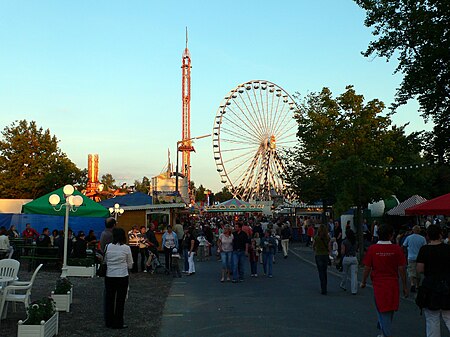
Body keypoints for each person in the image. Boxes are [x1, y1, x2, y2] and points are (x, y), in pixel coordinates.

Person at [361, 224, 408, 337]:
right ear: (391, 236)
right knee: (389, 308)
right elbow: (401, 268)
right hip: (393, 282)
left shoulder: (372, 249)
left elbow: (367, 267)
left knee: (381, 308)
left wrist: (363, 281)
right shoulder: (396, 249)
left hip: (378, 283)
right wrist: (405, 286)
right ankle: (383, 328)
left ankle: (384, 330)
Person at [416, 224, 450, 337]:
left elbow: (420, 269)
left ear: (428, 236)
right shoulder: (448, 248)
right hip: (447, 284)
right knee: (448, 316)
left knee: (432, 319)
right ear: (440, 234)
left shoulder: (424, 249)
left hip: (430, 285)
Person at [104, 227, 133, 329]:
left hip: (110, 275)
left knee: (109, 299)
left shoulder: (108, 247)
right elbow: (130, 264)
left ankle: (109, 321)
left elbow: (106, 261)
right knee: (120, 301)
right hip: (122, 275)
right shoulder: (126, 248)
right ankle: (118, 322)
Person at [402, 225, 427, 293]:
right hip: (420, 257)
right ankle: (417, 285)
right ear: (419, 231)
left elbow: (404, 245)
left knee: (411, 270)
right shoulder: (422, 238)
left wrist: (406, 252)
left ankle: (412, 283)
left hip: (410, 257)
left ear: (413, 230)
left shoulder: (409, 237)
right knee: (418, 272)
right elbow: (425, 248)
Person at [313, 224, 331, 295]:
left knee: (320, 272)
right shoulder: (327, 237)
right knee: (325, 271)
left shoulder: (316, 237)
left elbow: (313, 246)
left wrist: (315, 249)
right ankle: (325, 286)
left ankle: (323, 288)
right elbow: (329, 247)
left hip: (318, 255)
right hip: (325, 255)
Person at [340, 229, 358, 295]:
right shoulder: (355, 242)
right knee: (354, 275)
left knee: (345, 273)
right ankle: (354, 290)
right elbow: (356, 249)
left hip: (346, 258)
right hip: (354, 258)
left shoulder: (344, 242)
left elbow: (342, 252)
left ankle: (343, 284)